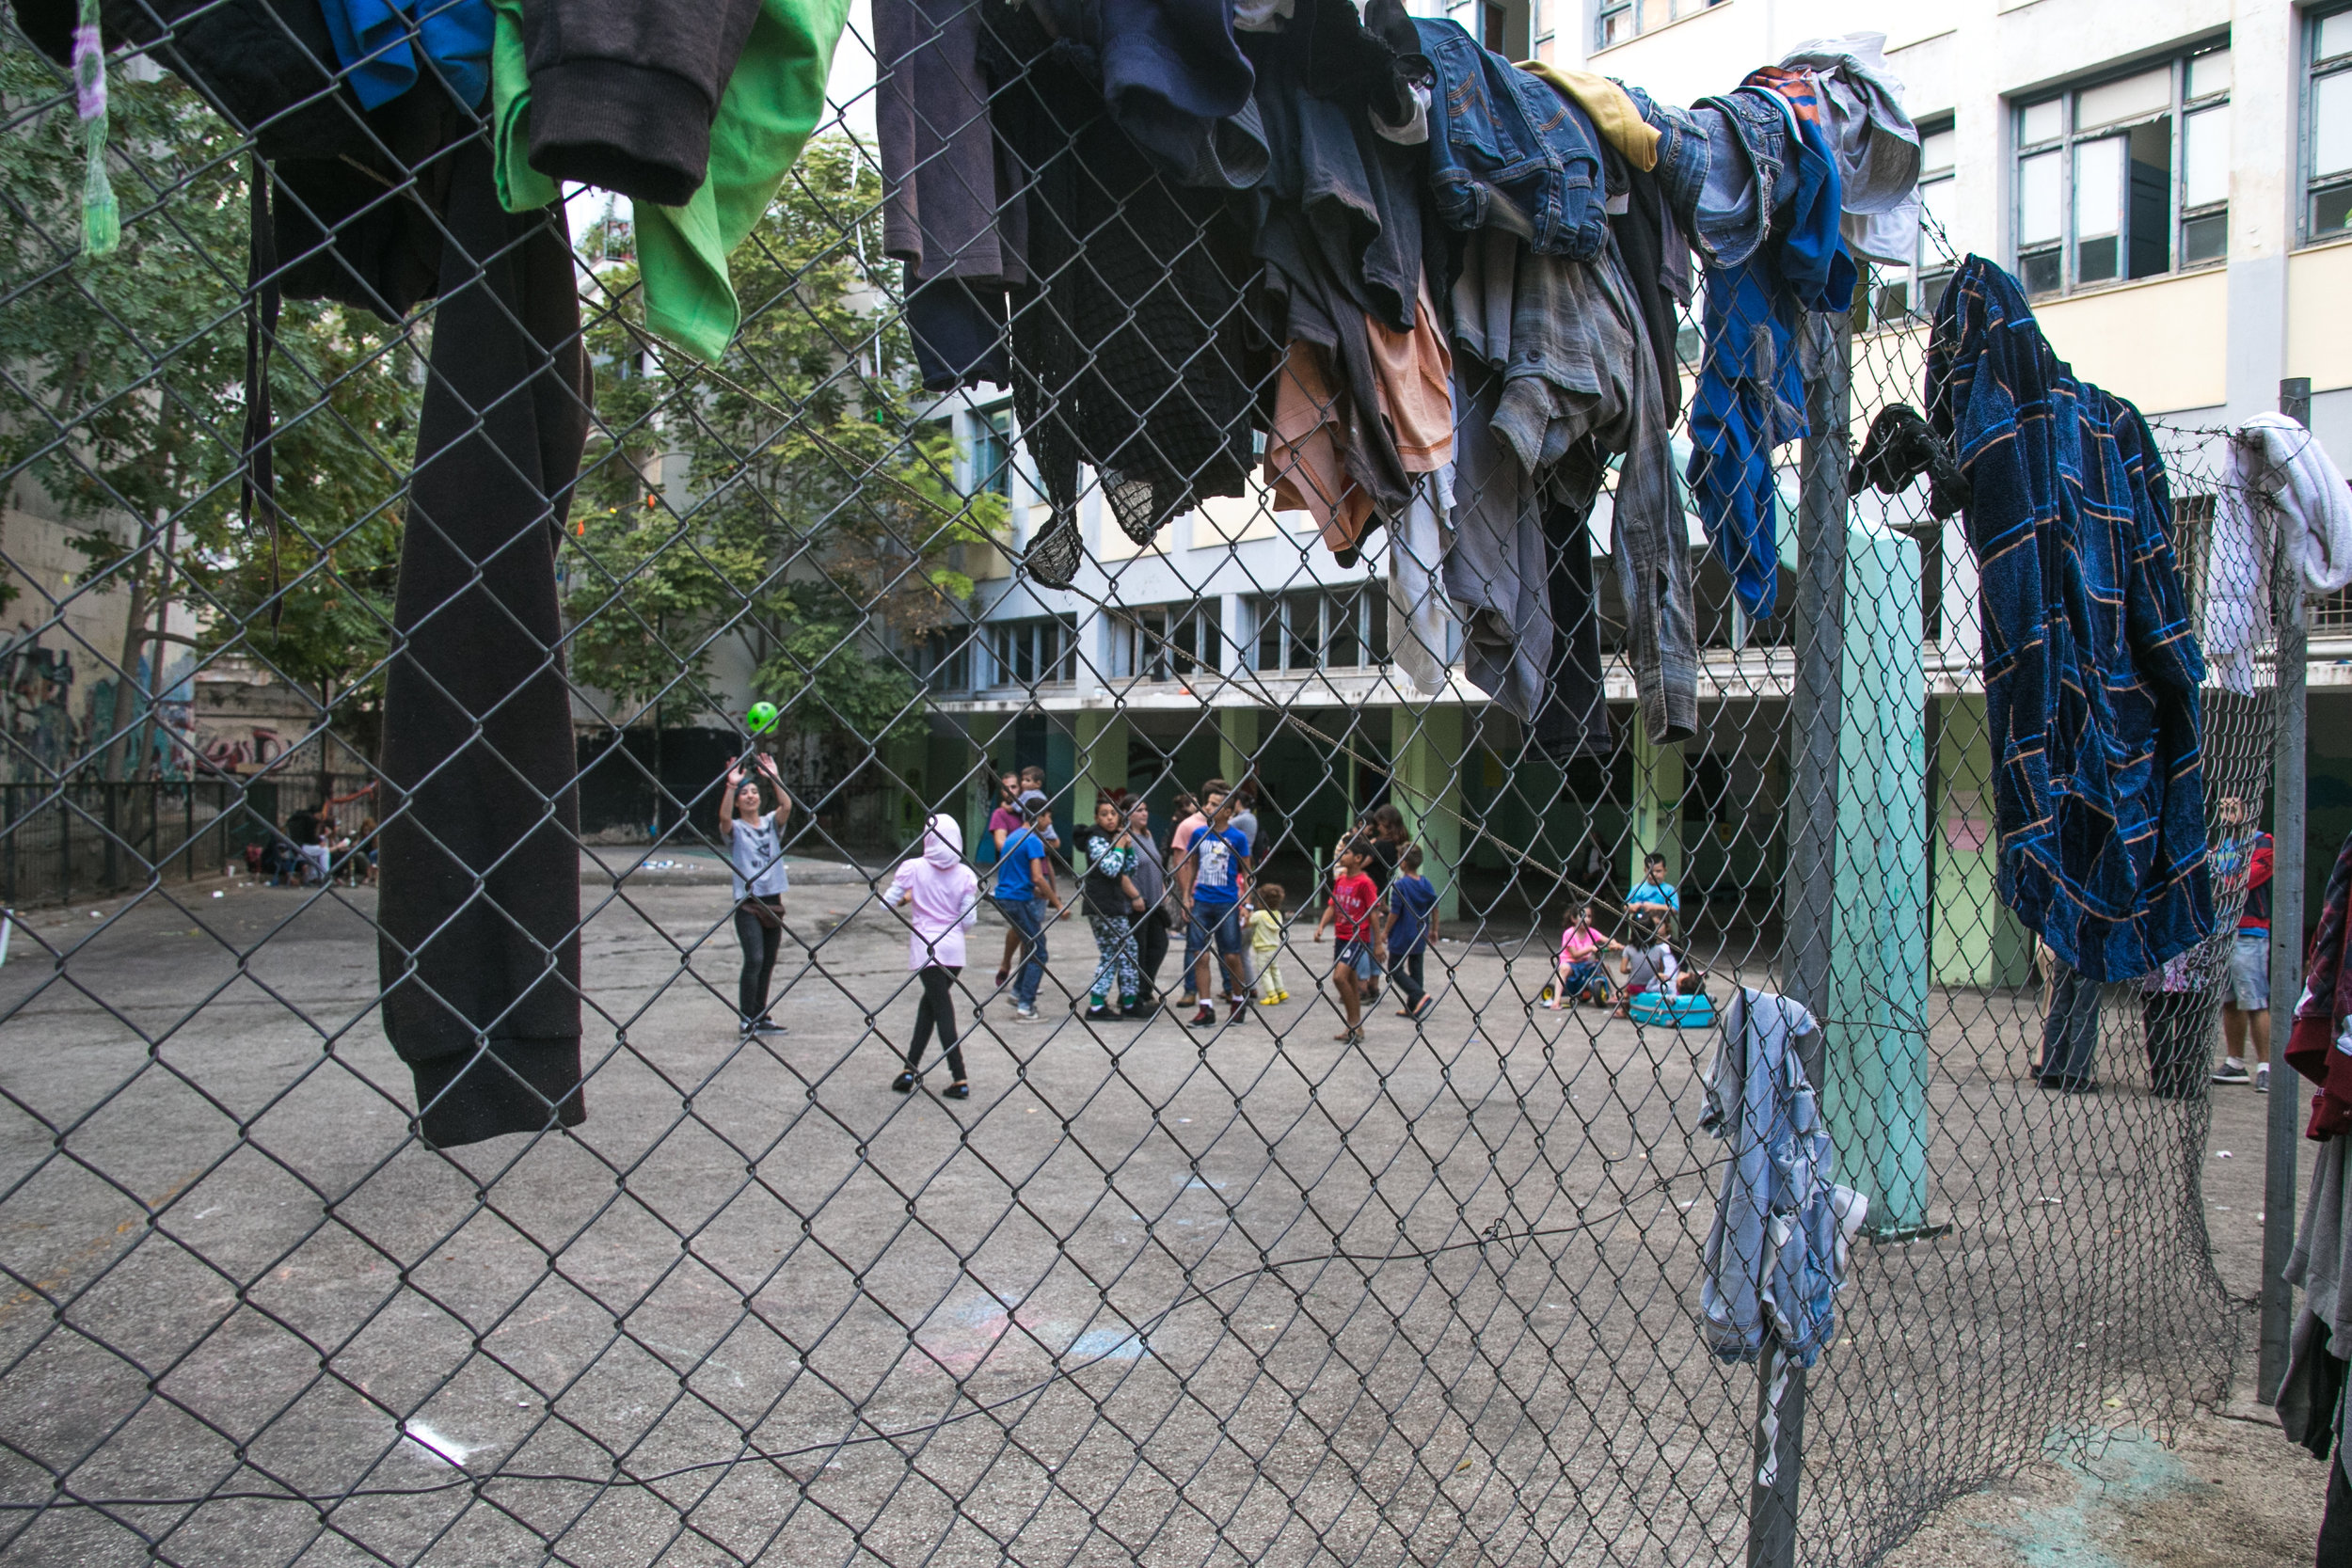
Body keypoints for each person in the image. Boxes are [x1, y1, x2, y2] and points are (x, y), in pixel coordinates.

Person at [883, 814, 981, 1099]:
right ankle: (909, 1069)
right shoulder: (965, 874)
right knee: (930, 1007)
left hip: (926, 947)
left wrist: (910, 898)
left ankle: (959, 1076)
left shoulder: (913, 868)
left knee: (941, 1010)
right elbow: (968, 920)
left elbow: (885, 904)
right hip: (954, 950)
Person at [721, 753, 794, 1037]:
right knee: (754, 958)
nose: (750, 796)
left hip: (773, 901)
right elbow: (724, 818)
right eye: (745, 794)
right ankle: (746, 1018)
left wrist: (773, 778)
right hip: (748, 903)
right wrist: (731, 785)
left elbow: (786, 805)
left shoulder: (770, 824)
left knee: (768, 961)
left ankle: (761, 1015)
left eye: (753, 792)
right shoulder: (735, 830)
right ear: (739, 801)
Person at [1180, 784, 1253, 1028]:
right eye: (1208, 802)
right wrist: (1187, 895)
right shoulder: (1199, 833)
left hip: (1228, 902)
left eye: (1214, 804)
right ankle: (1205, 1008)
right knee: (1199, 955)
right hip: (1201, 900)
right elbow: (1192, 865)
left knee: (1231, 955)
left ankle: (1237, 1000)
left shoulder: (1237, 838)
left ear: (1228, 812)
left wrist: (1247, 904)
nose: (1208, 807)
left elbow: (1248, 872)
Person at [2213, 797, 2272, 1089]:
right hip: (2223, 931)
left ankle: (2266, 1066)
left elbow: (2248, 878)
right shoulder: (2221, 846)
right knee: (2230, 1001)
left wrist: (2219, 884)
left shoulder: (2263, 842)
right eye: (2222, 809)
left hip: (2250, 931)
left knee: (2255, 999)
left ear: (2248, 810)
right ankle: (2236, 1062)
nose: (2226, 814)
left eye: (2232, 808)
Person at [992, 790, 1064, 1022]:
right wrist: (1057, 903)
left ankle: (1017, 993)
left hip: (1007, 897)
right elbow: (1037, 877)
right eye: (1048, 817)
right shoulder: (1033, 840)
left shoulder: (1014, 836)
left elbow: (1015, 873)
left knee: (1031, 945)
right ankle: (1026, 1004)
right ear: (1040, 816)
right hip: (1017, 900)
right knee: (1039, 951)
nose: (1050, 822)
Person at [1076, 798, 1146, 1020]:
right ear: (1097, 818)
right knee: (1112, 953)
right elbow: (1110, 868)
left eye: (1113, 814)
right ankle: (1097, 1004)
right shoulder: (1096, 839)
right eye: (1104, 814)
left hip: (1115, 904)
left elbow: (1128, 869)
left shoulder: (1114, 837)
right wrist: (1118, 846)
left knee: (1127, 950)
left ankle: (1129, 1000)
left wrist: (1128, 848)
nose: (1109, 818)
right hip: (1102, 905)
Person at [1317, 836, 1383, 1044]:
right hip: (1341, 936)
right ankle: (1355, 1027)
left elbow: (1373, 913)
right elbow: (1332, 905)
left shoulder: (1365, 883)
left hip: (1356, 938)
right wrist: (1321, 926)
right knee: (1352, 983)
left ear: (1358, 858)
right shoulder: (1341, 880)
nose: (1341, 856)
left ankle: (1353, 1022)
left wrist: (1378, 943)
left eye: (1346, 853)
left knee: (1339, 978)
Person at [1170, 783, 1218, 1007]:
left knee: (1230, 946)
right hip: (1198, 893)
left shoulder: (1227, 827)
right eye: (1212, 802)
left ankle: (1231, 988)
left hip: (1223, 892)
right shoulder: (1189, 826)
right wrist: (1186, 896)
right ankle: (1190, 990)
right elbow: (1181, 862)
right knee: (1195, 943)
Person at [1126, 798, 1170, 1016]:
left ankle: (1145, 988)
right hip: (1137, 903)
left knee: (1159, 945)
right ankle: (1132, 995)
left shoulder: (1148, 835)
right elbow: (1122, 873)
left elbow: (1156, 865)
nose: (1144, 814)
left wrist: (1162, 889)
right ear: (1127, 813)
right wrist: (1134, 896)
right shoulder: (1125, 838)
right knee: (1138, 950)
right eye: (1138, 810)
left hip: (1154, 902)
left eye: (1146, 809)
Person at [1387, 847, 1439, 1020]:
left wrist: (1385, 931)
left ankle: (1419, 995)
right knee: (1416, 968)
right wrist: (1434, 930)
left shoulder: (1400, 885)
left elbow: (1395, 912)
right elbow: (1435, 907)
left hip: (1402, 934)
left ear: (1403, 862)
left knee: (1394, 968)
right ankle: (1412, 1006)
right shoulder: (1425, 883)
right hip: (1419, 933)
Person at [1549, 905, 1620, 1008]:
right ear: (1573, 919)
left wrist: (1614, 944)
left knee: (1605, 966)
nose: (1586, 919)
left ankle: (1614, 995)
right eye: (1583, 916)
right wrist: (1591, 948)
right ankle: (1556, 1001)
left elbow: (1606, 939)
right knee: (1564, 969)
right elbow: (1575, 955)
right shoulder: (1569, 933)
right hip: (1570, 962)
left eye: (1589, 916)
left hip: (1584, 963)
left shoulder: (1591, 932)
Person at [1614, 919, 1678, 1015]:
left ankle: (1625, 1006)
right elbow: (1662, 969)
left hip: (1635, 987)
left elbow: (1622, 969)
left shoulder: (1629, 949)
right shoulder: (1658, 949)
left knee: (1625, 988)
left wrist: (1633, 969)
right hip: (1654, 987)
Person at [1248, 883, 1288, 1004]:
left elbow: (1249, 922)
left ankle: (1271, 995)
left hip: (1262, 949)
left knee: (1264, 972)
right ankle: (1281, 991)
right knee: (1275, 970)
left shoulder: (1258, 915)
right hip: (1274, 947)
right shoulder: (1278, 914)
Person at [1626, 853, 1679, 932]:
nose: (1654, 874)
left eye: (1658, 871)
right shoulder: (1638, 888)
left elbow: (1675, 909)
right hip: (1640, 928)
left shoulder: (1669, 889)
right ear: (1645, 870)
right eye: (1650, 871)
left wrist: (1654, 907)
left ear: (1665, 871)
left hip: (1661, 929)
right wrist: (1633, 907)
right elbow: (1625, 906)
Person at [286, 802, 328, 885]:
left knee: (316, 852)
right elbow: (310, 839)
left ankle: (313, 877)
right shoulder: (310, 820)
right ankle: (324, 877)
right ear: (316, 813)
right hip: (300, 848)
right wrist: (319, 842)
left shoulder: (299, 818)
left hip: (295, 848)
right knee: (324, 850)